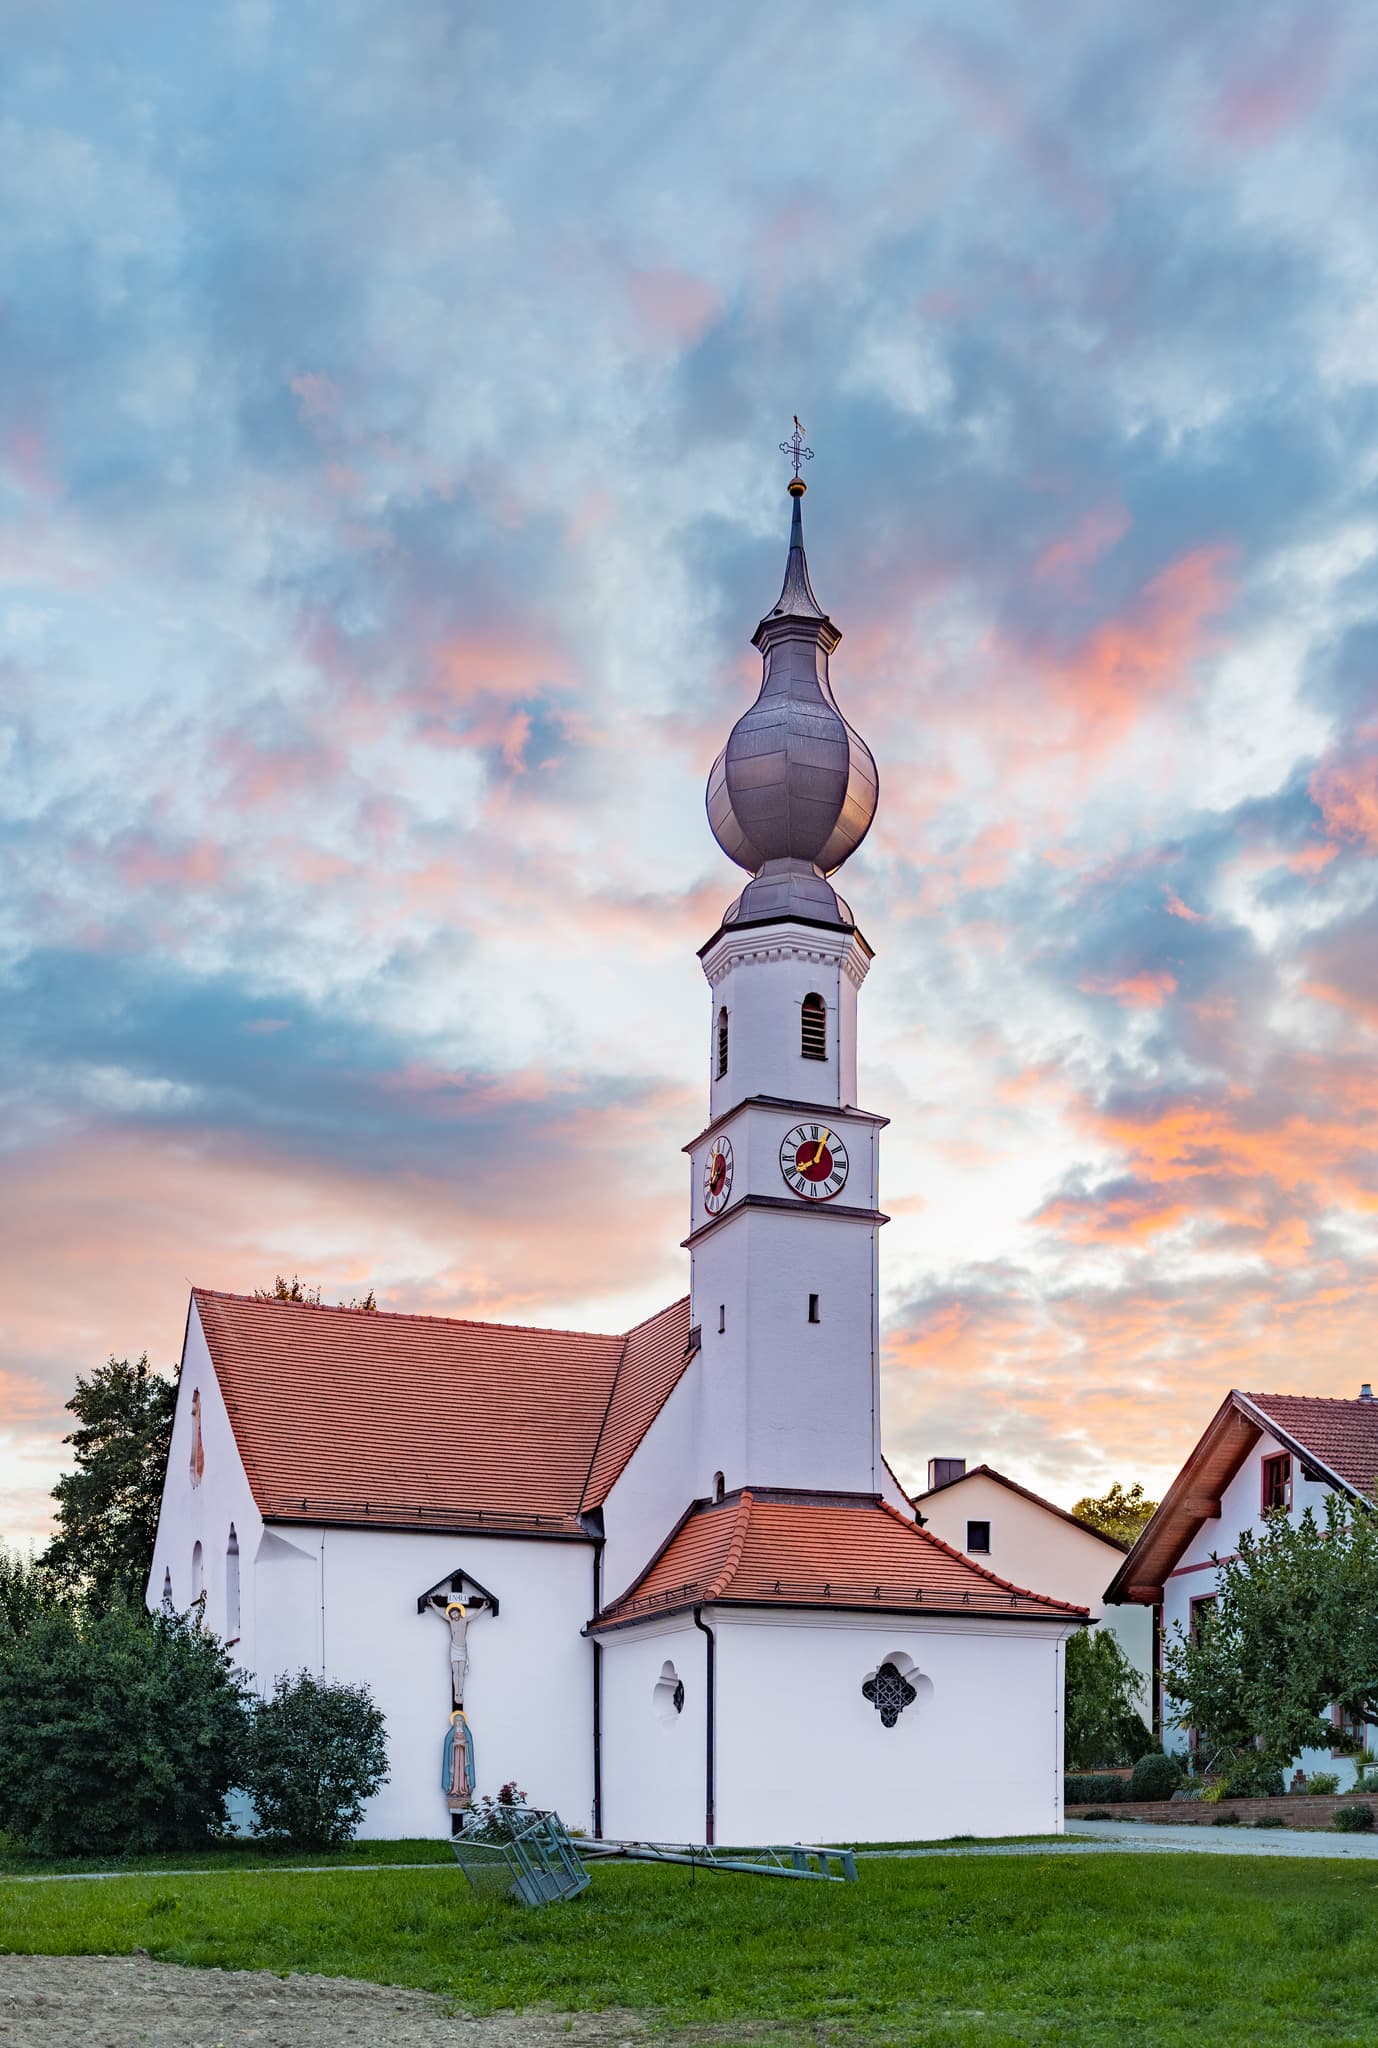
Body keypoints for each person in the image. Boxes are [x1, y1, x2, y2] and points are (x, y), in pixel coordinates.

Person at [442, 1708, 476, 1809]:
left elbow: (469, 1745)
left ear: (464, 1721)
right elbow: (448, 1745)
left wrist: (464, 1744)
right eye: (457, 1720)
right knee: (456, 1772)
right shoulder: (451, 1734)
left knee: (463, 1773)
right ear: (454, 1722)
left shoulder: (467, 1733)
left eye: (461, 1720)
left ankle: (464, 1789)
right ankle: (454, 1790)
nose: (459, 1722)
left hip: (464, 1757)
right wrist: (454, 1744)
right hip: (454, 1756)